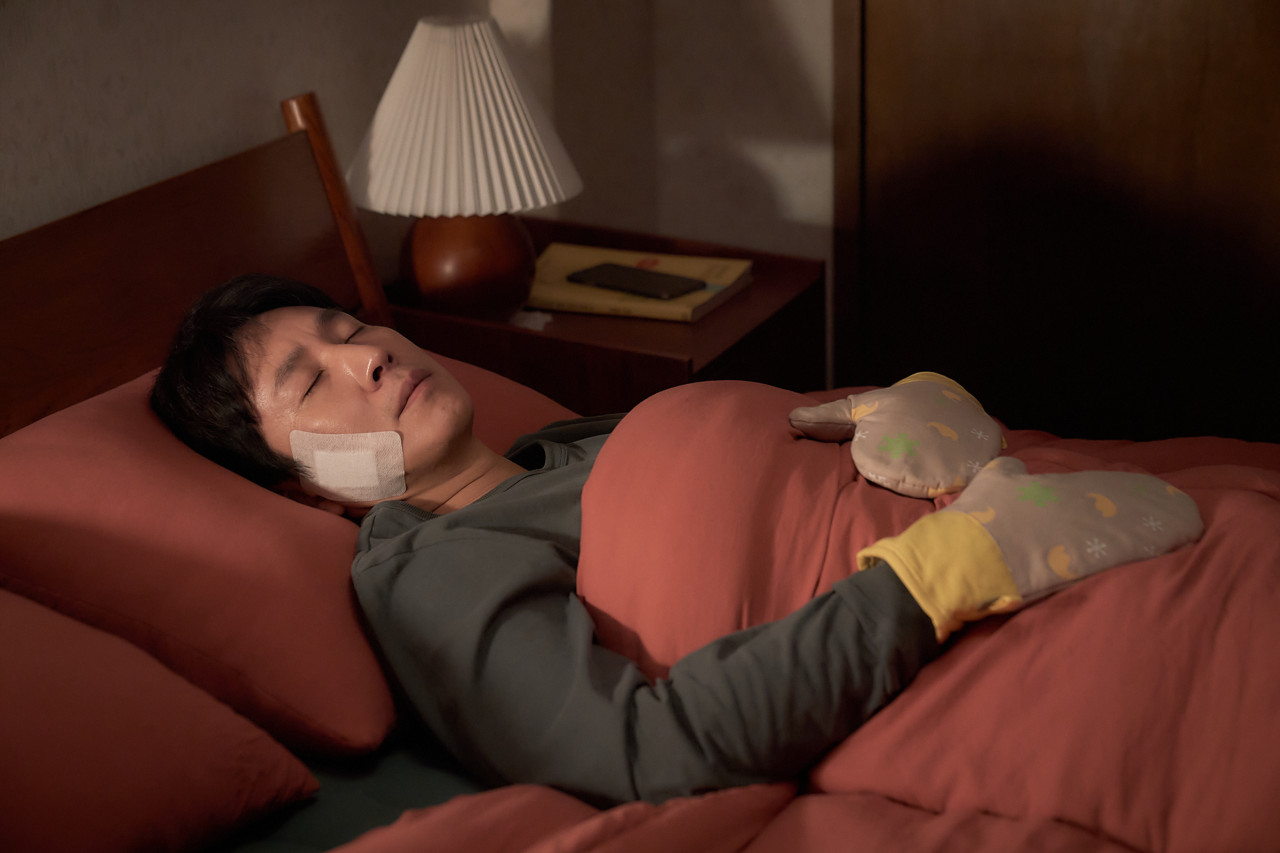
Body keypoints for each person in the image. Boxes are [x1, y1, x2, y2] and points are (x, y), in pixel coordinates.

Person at [151, 274, 1200, 807]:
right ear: (304, 491)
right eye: (311, 381)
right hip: (971, 608)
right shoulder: (428, 569)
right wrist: (941, 571)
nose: (368, 357)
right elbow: (639, 751)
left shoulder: (562, 445)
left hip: (1026, 506)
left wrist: (896, 412)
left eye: (350, 331)